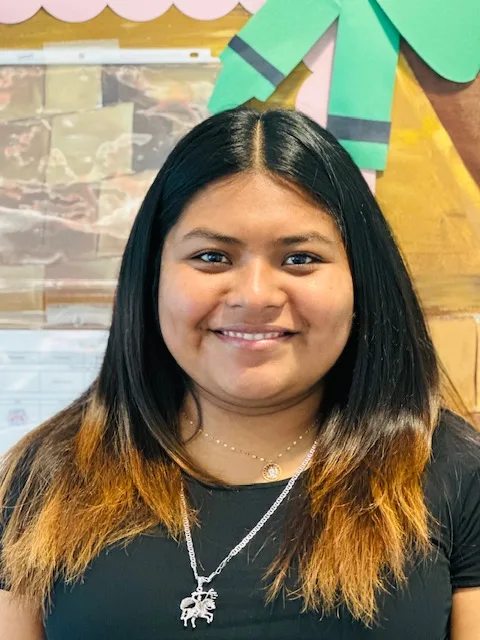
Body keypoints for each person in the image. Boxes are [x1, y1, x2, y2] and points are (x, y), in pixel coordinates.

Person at [0, 107, 479, 640]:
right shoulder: (48, 475)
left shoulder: (453, 471)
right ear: (152, 275)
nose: (254, 297)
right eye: (212, 257)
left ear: (361, 280)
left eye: (299, 259)